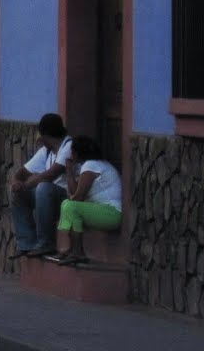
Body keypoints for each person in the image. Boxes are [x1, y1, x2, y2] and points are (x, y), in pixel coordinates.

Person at [50, 135, 122, 266]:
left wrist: (71, 197)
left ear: (77, 153)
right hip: (105, 211)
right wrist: (69, 171)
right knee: (67, 204)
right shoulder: (93, 164)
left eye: (72, 151)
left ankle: (78, 252)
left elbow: (78, 197)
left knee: (70, 206)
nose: (70, 154)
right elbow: (74, 192)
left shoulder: (91, 165)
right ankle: (73, 249)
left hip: (112, 213)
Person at [9, 112, 72, 258]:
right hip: (47, 199)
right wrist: (16, 183)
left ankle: (46, 243)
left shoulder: (69, 146)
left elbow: (51, 174)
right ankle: (26, 243)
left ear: (45, 136)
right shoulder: (46, 151)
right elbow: (21, 172)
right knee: (19, 194)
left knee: (43, 187)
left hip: (67, 199)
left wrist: (28, 183)